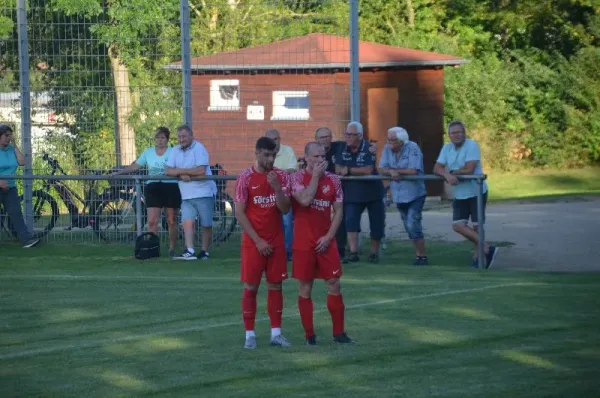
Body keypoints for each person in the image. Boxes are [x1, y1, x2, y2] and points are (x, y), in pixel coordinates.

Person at [291, 142, 354, 345]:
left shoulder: (334, 180)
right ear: (306, 157)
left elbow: (338, 212)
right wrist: (316, 177)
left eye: (322, 156)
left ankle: (339, 333)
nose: (320, 160)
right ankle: (309, 335)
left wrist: (328, 237)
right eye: (316, 156)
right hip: (303, 241)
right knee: (305, 287)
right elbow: (305, 200)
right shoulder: (296, 178)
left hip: (326, 240)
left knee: (334, 284)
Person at [234, 136, 293, 349]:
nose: (270, 159)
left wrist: (277, 188)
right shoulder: (245, 178)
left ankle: (276, 333)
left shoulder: (281, 177)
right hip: (253, 242)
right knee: (251, 286)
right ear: (257, 153)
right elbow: (240, 213)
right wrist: (258, 240)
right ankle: (249, 335)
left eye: (273, 155)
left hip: (276, 240)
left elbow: (285, 209)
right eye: (266, 155)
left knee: (275, 285)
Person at [433, 120, 498, 268]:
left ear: (464, 133)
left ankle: (479, 258)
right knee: (457, 225)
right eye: (453, 133)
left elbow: (469, 169)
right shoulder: (447, 147)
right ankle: (486, 247)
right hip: (460, 194)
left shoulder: (471, 145)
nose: (456, 135)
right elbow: (436, 168)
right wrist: (447, 175)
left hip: (476, 191)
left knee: (477, 226)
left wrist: (453, 172)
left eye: (459, 132)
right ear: (449, 135)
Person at [111, 127, 181, 257]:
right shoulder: (148, 152)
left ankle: (172, 248)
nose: (160, 141)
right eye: (158, 138)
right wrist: (119, 173)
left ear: (167, 139)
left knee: (171, 220)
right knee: (152, 221)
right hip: (153, 187)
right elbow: (135, 166)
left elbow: (181, 167)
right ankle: (153, 248)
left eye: (163, 138)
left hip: (170, 186)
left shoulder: (173, 152)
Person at [315, 126, 377, 259]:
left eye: (328, 136)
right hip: (320, 190)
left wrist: (371, 147)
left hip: (339, 190)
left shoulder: (340, 146)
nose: (325, 139)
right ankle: (318, 247)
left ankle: (340, 249)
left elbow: (359, 142)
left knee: (341, 218)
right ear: (316, 139)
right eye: (322, 137)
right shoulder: (313, 152)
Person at [335, 121, 385, 263]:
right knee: (350, 222)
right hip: (352, 192)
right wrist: (354, 170)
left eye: (352, 135)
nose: (349, 137)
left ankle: (374, 253)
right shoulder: (342, 147)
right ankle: (353, 252)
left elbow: (369, 169)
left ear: (361, 135)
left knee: (377, 224)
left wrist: (349, 170)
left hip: (373, 192)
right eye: (347, 134)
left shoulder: (370, 147)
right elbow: (338, 168)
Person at [165, 125, 217, 260]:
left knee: (206, 224)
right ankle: (190, 250)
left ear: (191, 135)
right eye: (179, 137)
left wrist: (181, 172)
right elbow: (168, 170)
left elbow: (201, 171)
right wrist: (183, 174)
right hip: (186, 194)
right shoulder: (175, 150)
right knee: (187, 222)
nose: (181, 139)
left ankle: (205, 251)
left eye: (184, 136)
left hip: (204, 193)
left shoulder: (199, 148)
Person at [379, 127, 428, 265]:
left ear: (402, 141)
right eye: (388, 140)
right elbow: (382, 168)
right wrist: (391, 172)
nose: (390, 143)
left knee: (413, 223)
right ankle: (418, 254)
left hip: (415, 194)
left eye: (393, 141)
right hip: (398, 195)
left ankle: (422, 256)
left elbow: (413, 170)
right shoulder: (387, 148)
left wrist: (395, 172)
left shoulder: (412, 148)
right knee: (408, 225)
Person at [0, 124, 40, 248]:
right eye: (6, 135)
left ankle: (26, 240)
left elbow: (22, 162)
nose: (9, 138)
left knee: (16, 213)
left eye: (10, 135)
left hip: (10, 188)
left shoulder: (12, 149)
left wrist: (15, 145)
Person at [265, 129, 297, 261]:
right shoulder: (264, 153)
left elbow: (292, 170)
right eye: (271, 140)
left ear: (280, 139)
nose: (274, 142)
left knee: (287, 222)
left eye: (276, 139)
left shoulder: (288, 151)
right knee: (269, 222)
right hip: (267, 194)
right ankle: (272, 250)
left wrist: (275, 175)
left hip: (285, 193)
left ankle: (288, 251)